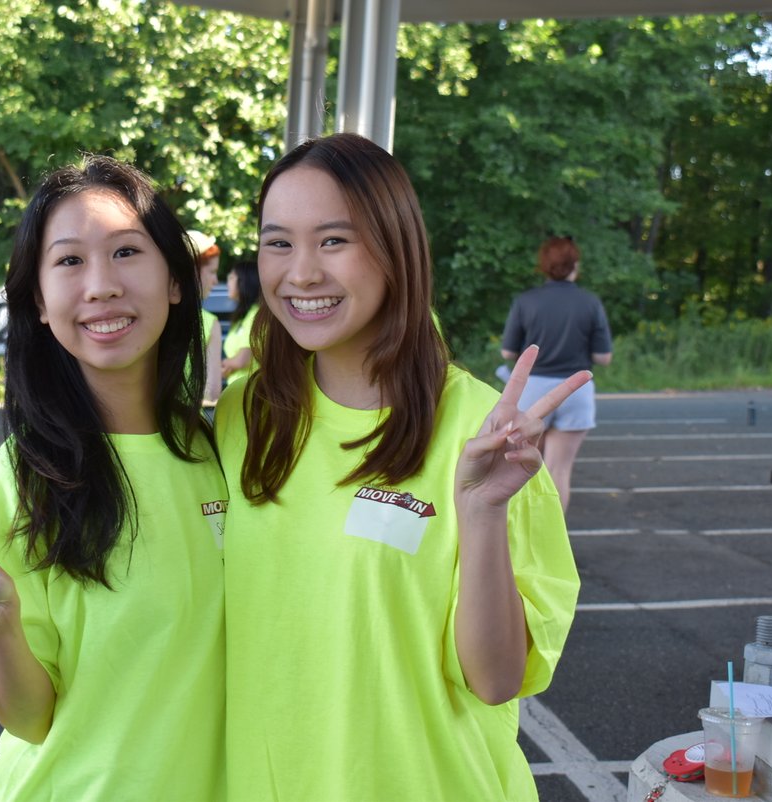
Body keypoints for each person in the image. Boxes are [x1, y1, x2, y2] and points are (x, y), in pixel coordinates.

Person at [215, 133, 586, 802]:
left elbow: (497, 679)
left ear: (395, 249)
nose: (300, 273)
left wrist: (481, 510)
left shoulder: (487, 435)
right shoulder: (244, 418)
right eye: (278, 242)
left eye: (333, 241)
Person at [0, 156, 225, 800]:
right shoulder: (18, 480)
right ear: (39, 303)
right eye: (70, 261)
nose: (101, 285)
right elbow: (29, 719)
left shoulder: (230, 452)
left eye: (127, 252)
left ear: (173, 279)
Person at [501, 236, 613, 513]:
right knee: (559, 471)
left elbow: (508, 352)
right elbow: (604, 357)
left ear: (544, 266)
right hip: (576, 390)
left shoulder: (526, 301)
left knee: (522, 470)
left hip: (533, 390)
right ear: (575, 265)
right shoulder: (590, 302)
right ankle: (553, 546)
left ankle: (522, 542)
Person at [187, 229, 224, 404]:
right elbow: (211, 393)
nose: (215, 280)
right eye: (211, 271)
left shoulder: (150, 315)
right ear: (193, 270)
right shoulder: (208, 322)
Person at [220, 260, 259, 383]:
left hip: (251, 392)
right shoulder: (243, 317)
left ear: (245, 281)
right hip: (239, 391)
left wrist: (223, 364)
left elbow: (242, 360)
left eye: (231, 277)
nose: (228, 282)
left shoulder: (255, 314)